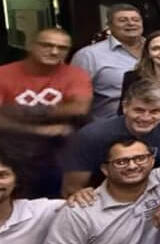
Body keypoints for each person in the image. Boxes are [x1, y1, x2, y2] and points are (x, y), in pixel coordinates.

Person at [0, 27, 92, 197]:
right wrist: (40, 128)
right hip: (12, 149)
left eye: (62, 48)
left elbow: (79, 108)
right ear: (31, 45)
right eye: (47, 45)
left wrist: (14, 111)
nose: (54, 51)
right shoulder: (4, 74)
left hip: (58, 150)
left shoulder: (75, 74)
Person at [61, 79, 160, 196]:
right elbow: (72, 189)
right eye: (139, 110)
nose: (145, 118)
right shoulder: (91, 136)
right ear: (125, 107)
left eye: (154, 111)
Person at [72, 3, 144, 120]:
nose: (131, 23)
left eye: (136, 19)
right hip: (109, 127)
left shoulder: (158, 50)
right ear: (109, 25)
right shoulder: (88, 55)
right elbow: (75, 100)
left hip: (154, 124)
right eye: (122, 20)